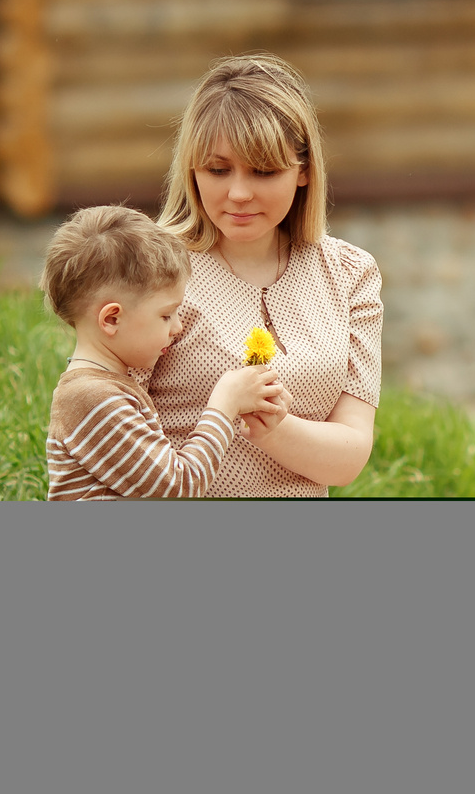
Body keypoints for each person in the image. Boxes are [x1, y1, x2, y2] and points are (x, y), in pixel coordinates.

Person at [148, 56, 382, 495]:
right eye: (217, 170)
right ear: (191, 169)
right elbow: (104, 415)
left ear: (305, 171)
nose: (238, 193)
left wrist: (275, 429)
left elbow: (349, 455)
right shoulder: (150, 265)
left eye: (263, 170)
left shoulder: (352, 274)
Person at [39, 205, 284, 500]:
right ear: (111, 319)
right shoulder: (91, 399)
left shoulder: (107, 389)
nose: (178, 326)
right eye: (166, 315)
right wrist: (224, 405)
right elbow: (176, 487)